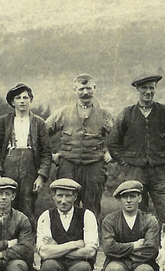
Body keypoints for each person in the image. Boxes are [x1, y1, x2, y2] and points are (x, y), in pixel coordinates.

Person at [108, 74, 165, 227]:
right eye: (144, 88)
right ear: (137, 89)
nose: (148, 92)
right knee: (136, 214)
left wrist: (163, 159)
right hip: (134, 172)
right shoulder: (126, 113)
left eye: (151, 88)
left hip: (161, 173)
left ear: (155, 89)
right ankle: (140, 248)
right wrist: (124, 163)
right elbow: (113, 142)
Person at [46, 74, 114, 218]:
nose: (85, 92)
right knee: (67, 205)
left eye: (88, 88)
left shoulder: (104, 115)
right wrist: (51, 155)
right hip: (68, 166)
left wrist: (112, 154)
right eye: (81, 89)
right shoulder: (63, 113)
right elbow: (41, 132)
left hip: (95, 167)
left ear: (94, 89)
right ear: (75, 89)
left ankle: (92, 240)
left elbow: (120, 136)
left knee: (92, 206)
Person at [0, 82, 52, 229]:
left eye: (26, 97)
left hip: (30, 169)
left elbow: (46, 153)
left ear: (31, 100)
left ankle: (26, 245)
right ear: (12, 102)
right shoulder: (4, 121)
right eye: (18, 98)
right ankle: (4, 242)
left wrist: (41, 176)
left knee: (27, 206)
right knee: (6, 204)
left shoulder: (39, 123)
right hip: (8, 167)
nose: (22, 101)